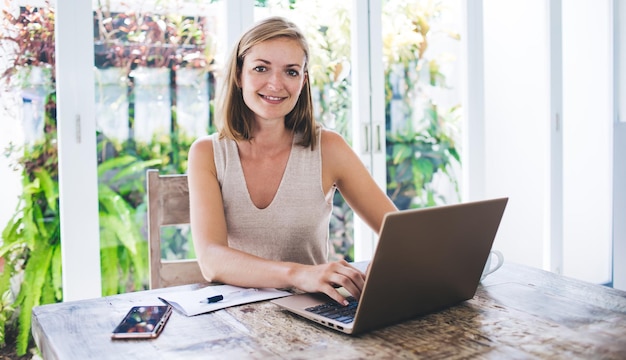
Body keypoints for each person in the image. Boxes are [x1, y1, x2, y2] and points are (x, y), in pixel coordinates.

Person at [188, 16, 397, 306]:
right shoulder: (206, 153)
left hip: (316, 315)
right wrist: (299, 274)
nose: (276, 83)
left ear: (303, 81)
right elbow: (211, 260)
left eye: (291, 71)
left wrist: (388, 265)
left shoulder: (329, 147)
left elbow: (397, 231)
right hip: (237, 316)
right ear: (239, 75)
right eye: (261, 68)